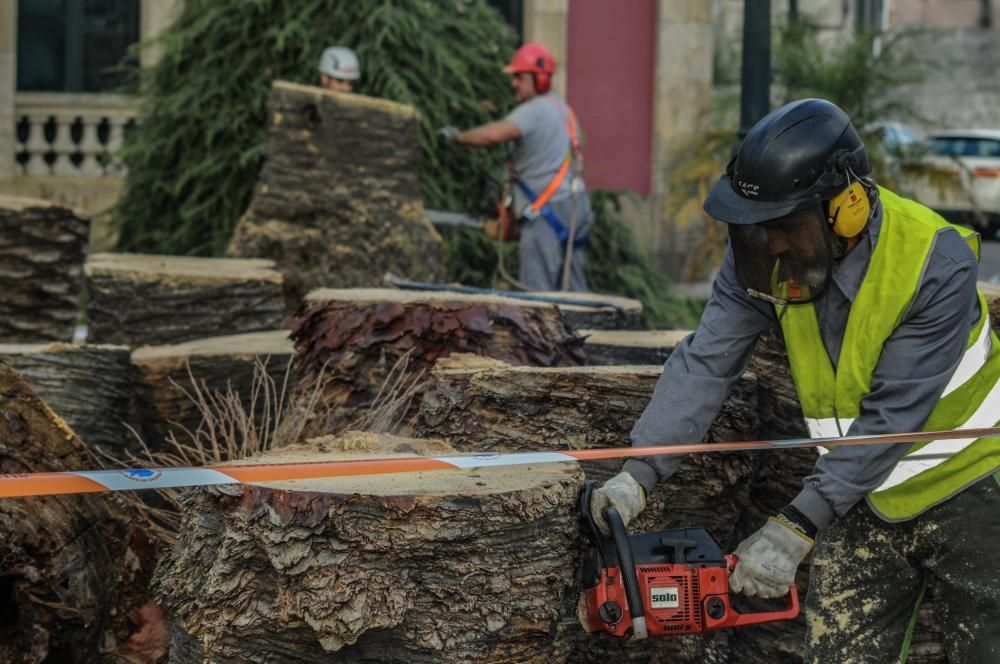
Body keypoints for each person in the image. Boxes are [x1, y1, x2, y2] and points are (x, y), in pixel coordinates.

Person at [589, 98, 1000, 662]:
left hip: (972, 485)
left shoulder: (934, 263)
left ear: (846, 207)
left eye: (784, 227)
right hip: (862, 495)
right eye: (757, 229)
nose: (770, 246)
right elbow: (706, 362)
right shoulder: (760, 261)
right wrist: (638, 474)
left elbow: (894, 414)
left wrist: (796, 525)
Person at [438, 42, 590, 292]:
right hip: (575, 206)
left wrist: (458, 137)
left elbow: (493, 135)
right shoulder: (562, 108)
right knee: (573, 290)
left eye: (519, 77)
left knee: (536, 295)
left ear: (539, 79)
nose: (514, 84)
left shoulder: (534, 111)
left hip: (546, 212)